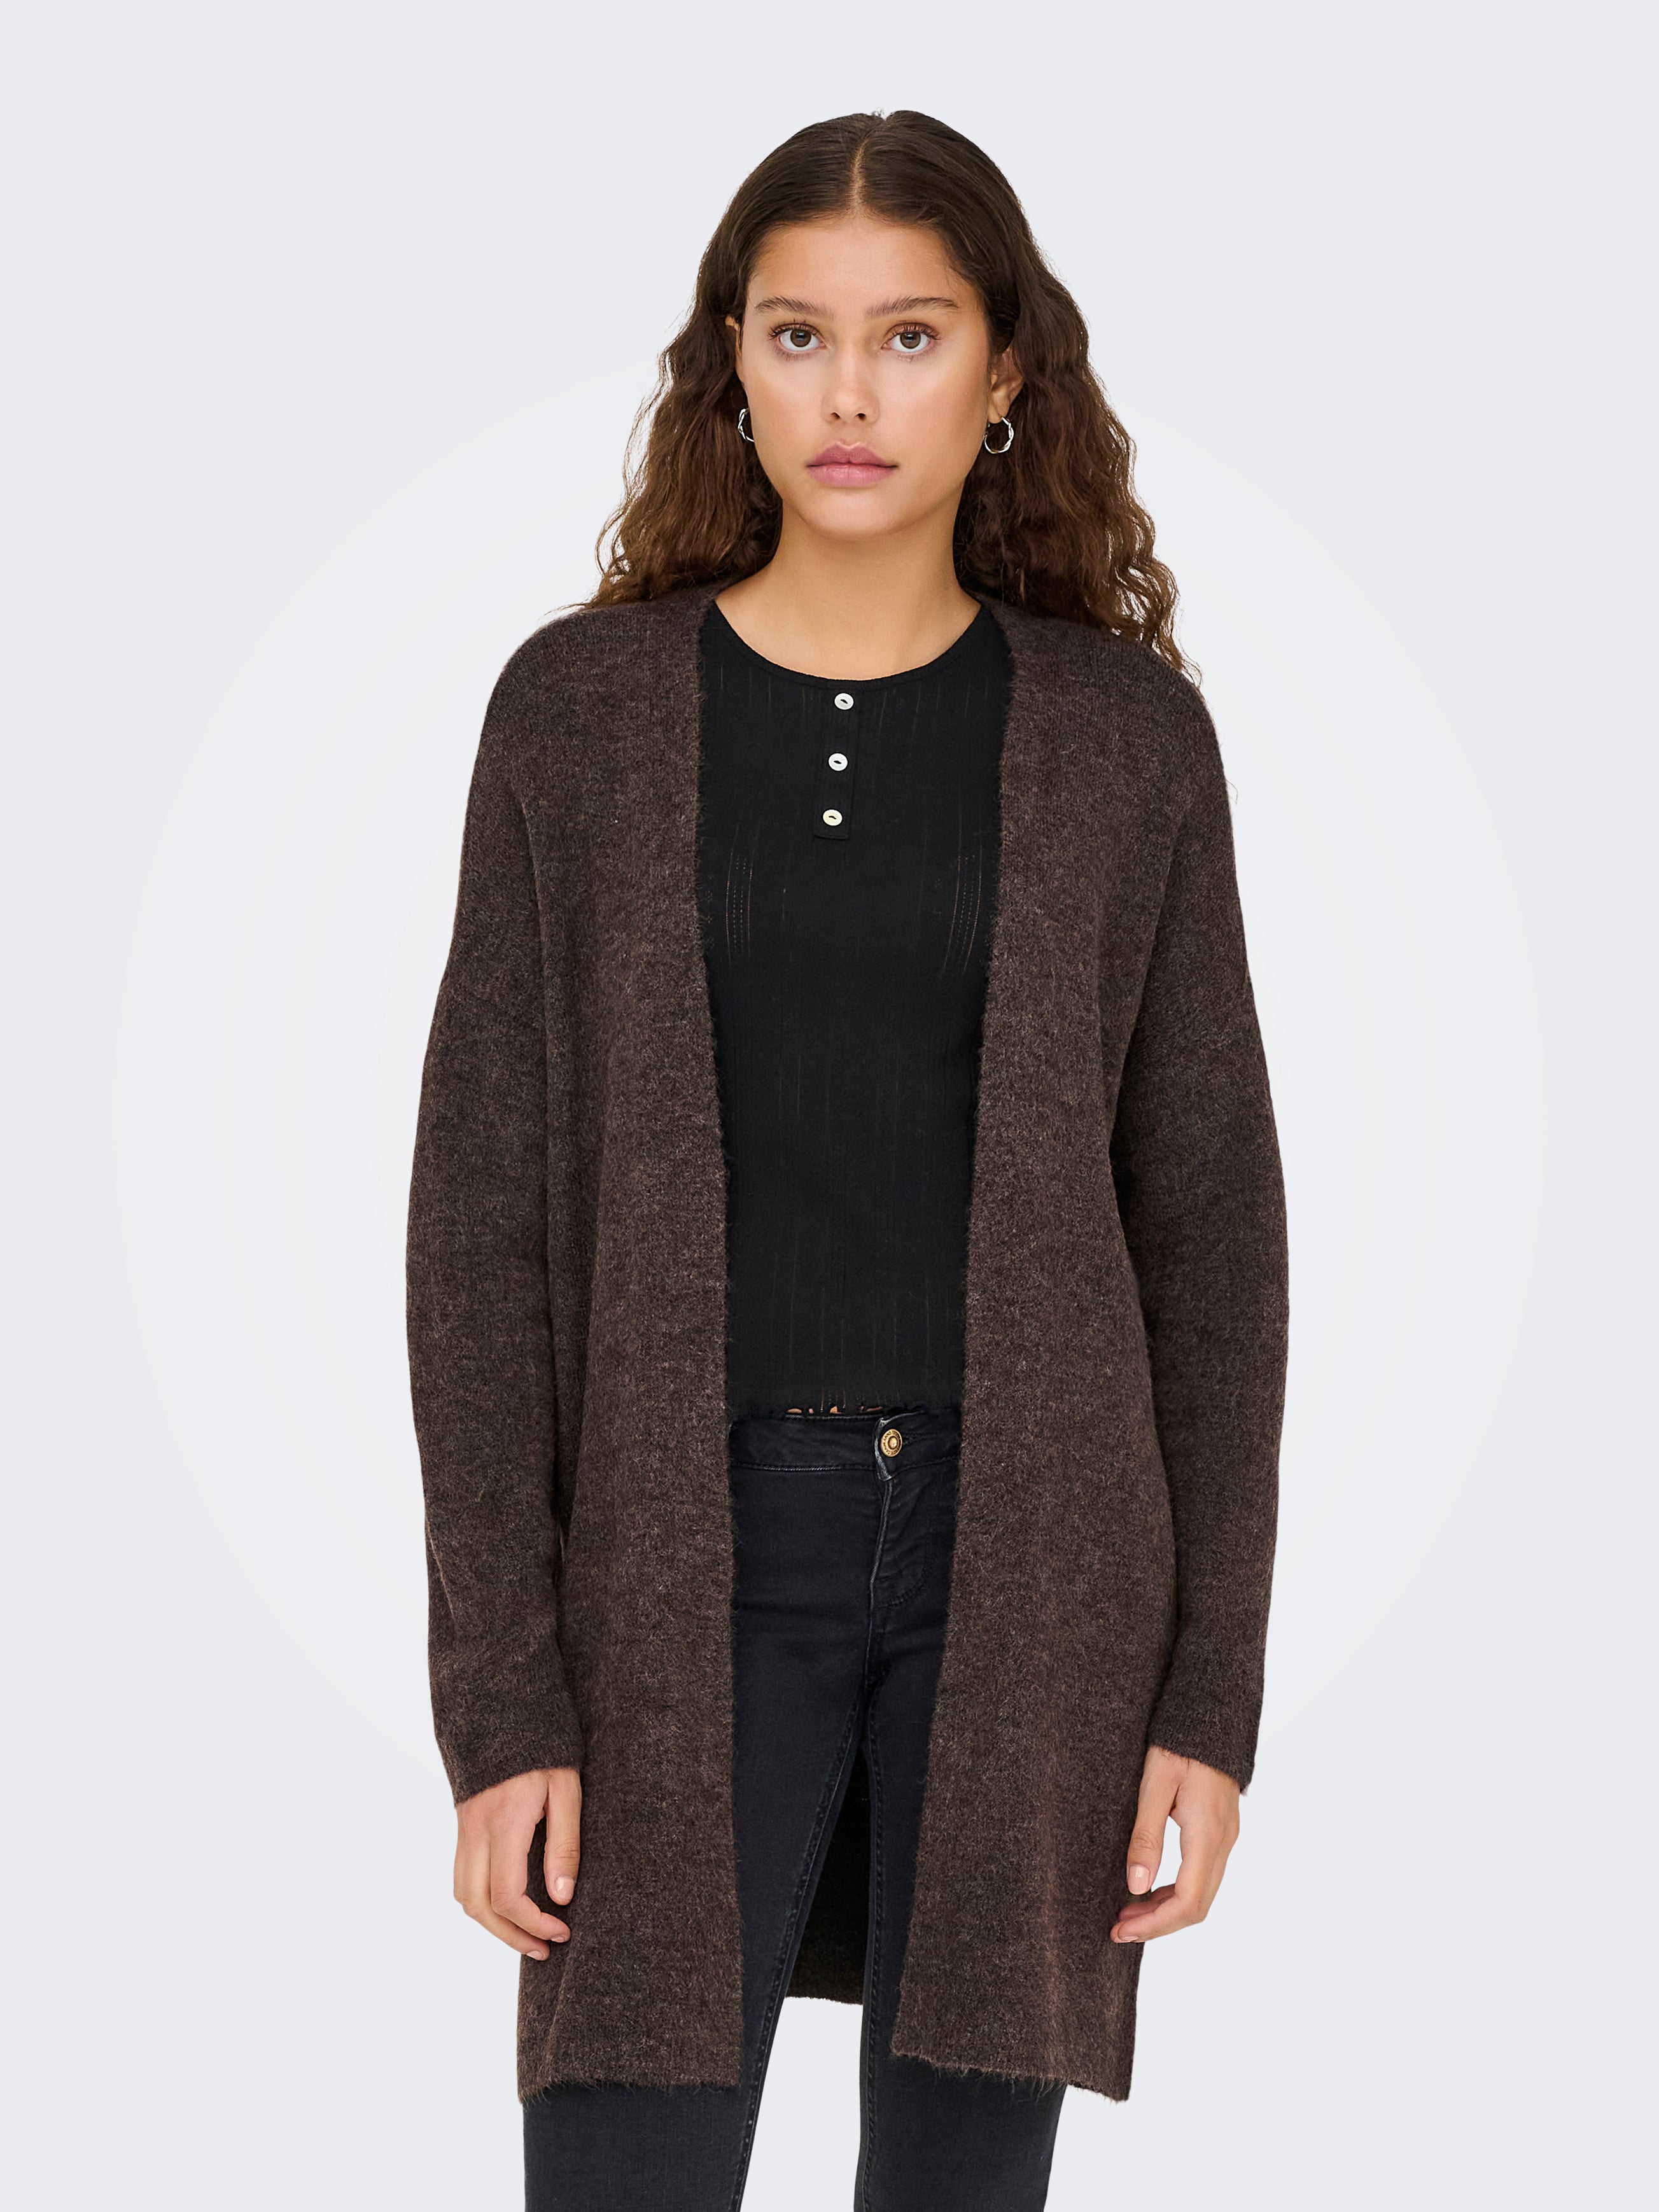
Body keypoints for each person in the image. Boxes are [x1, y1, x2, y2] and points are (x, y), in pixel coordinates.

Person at [407, 109, 1289, 2212]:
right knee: (625, 2166)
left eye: (912, 336)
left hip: (1033, 1572)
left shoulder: (1127, 739)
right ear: (733, 359)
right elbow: (478, 1226)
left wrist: (1208, 1692)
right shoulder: (577, 716)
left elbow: (1214, 1232)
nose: (852, 395)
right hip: (676, 1565)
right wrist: (501, 1701)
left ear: (1006, 372)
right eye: (800, 334)